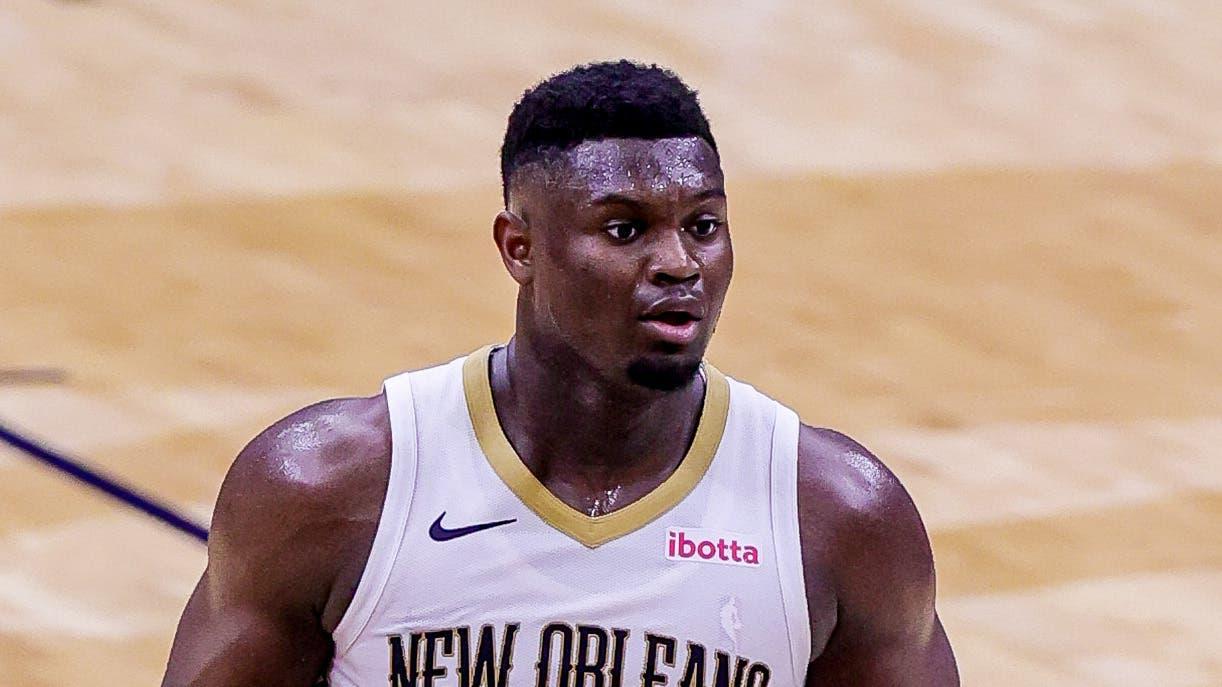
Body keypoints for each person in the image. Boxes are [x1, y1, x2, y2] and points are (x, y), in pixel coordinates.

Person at [162, 60, 958, 686]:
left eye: (703, 226)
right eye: (625, 228)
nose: (678, 262)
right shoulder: (333, 489)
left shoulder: (839, 518)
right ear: (519, 247)